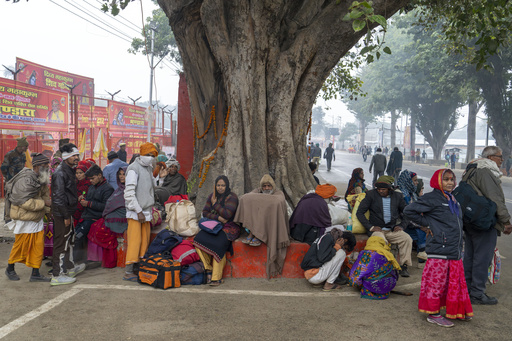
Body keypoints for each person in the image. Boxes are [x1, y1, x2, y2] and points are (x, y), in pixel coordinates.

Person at [404, 169, 473, 327]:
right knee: (437, 283)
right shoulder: (432, 198)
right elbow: (409, 211)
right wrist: (427, 224)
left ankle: (454, 310)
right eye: (446, 179)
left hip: (453, 250)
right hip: (439, 249)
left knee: (453, 282)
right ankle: (433, 314)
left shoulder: (452, 199)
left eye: (452, 179)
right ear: (437, 181)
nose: (450, 182)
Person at [462, 146, 512, 305]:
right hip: (483, 222)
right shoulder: (485, 172)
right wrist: (506, 220)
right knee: (482, 259)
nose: (501, 160)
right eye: (499, 157)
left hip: (470, 220)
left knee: (470, 256)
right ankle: (477, 293)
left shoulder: (472, 169)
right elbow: (495, 199)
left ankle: (467, 290)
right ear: (490, 158)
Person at [4, 153, 52, 282]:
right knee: (21, 245)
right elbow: (24, 203)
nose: (47, 168)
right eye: (44, 166)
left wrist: (48, 211)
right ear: (36, 166)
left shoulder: (42, 177)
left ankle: (35, 273)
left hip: (36, 218)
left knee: (38, 245)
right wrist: (44, 203)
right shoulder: (25, 180)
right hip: (24, 218)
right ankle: (10, 268)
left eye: (48, 165)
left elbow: (45, 195)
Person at [355, 175, 412, 277]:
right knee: (381, 241)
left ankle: (404, 266)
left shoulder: (398, 197)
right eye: (379, 189)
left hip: (391, 230)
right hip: (377, 230)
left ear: (390, 189)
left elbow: (407, 213)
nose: (381, 191)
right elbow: (359, 213)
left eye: (383, 189)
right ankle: (383, 267)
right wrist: (370, 227)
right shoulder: (371, 195)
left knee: (407, 239)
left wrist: (402, 226)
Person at [235, 174, 289, 277]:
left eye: (269, 186)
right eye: (264, 186)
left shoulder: (279, 193)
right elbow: (245, 198)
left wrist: (262, 200)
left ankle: (256, 234)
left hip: (271, 226)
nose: (266, 188)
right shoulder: (257, 191)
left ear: (273, 186)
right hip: (256, 222)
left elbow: (277, 201)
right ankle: (253, 233)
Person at [122, 143, 160, 281]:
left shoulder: (148, 169)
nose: (150, 158)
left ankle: (138, 267)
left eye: (153, 156)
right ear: (141, 154)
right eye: (148, 155)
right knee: (135, 241)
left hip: (146, 211)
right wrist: (138, 211)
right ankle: (128, 271)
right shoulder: (133, 169)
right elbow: (129, 193)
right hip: (136, 212)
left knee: (144, 240)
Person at [193, 175, 239, 286]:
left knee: (219, 245)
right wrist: (218, 218)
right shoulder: (212, 196)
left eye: (223, 185)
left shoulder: (232, 197)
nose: (220, 188)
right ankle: (208, 268)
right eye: (218, 185)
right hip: (213, 226)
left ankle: (216, 278)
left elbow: (227, 214)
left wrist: (215, 205)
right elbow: (205, 212)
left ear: (227, 186)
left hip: (229, 227)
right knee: (198, 240)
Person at [50, 143, 85, 285]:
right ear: (66, 158)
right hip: (61, 214)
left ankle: (70, 267)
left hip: (68, 211)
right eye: (74, 156)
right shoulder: (60, 173)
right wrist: (65, 216)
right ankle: (57, 275)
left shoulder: (69, 170)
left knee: (70, 240)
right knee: (61, 243)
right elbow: (58, 197)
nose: (77, 158)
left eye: (77, 155)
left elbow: (66, 193)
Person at [74, 164, 114, 264]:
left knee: (78, 237)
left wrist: (89, 203)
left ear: (100, 175)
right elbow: (89, 199)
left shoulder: (108, 188)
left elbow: (106, 206)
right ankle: (75, 259)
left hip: (95, 218)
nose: (91, 181)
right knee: (74, 235)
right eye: (90, 179)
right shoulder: (92, 187)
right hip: (86, 216)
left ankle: (75, 261)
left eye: (92, 178)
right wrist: (83, 199)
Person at [349, 234, 401, 299]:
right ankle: (384, 290)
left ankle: (372, 291)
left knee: (361, 277)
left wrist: (355, 284)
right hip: (390, 284)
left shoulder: (366, 254)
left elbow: (357, 274)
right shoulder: (387, 253)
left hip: (375, 284)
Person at [397, 170, 427, 263]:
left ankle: (422, 254)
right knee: (421, 232)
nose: (416, 183)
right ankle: (421, 257)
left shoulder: (411, 194)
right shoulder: (401, 195)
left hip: (411, 223)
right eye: (414, 180)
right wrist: (420, 226)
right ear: (408, 181)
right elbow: (405, 216)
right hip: (402, 225)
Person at [103, 167, 128, 234]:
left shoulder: (129, 189)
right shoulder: (119, 189)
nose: (121, 177)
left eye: (124, 174)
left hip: (123, 217)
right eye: (120, 174)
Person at [73, 160, 94, 225]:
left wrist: (84, 197)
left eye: (80, 173)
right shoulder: (74, 183)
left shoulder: (89, 184)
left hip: (85, 212)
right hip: (74, 211)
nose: (78, 175)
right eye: (77, 173)